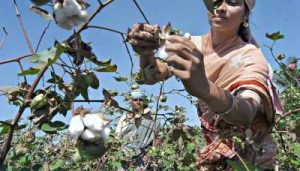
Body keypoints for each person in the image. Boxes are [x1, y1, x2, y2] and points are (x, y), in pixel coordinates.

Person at [127, 0, 282, 170]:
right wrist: (146, 52)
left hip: (252, 155)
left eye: (232, 2)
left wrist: (205, 88)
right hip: (217, 152)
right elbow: (153, 75)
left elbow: (246, 111)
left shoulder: (250, 56)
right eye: (215, 0)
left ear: (245, 14)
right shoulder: (191, 44)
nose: (221, 8)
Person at [116, 89, 161, 170]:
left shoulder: (153, 118)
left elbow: (158, 138)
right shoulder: (125, 118)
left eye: (141, 100)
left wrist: (149, 155)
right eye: (135, 99)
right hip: (124, 158)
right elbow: (117, 139)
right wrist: (121, 156)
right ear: (130, 101)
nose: (138, 102)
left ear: (145, 101)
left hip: (142, 159)